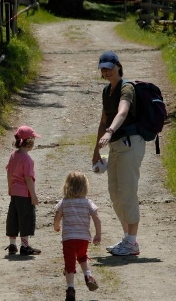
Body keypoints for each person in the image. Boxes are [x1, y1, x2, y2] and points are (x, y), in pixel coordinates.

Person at [92, 50, 145, 256]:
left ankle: (132, 242)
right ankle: (127, 239)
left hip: (130, 144)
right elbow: (103, 119)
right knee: (115, 193)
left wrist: (110, 132)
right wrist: (96, 150)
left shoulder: (127, 88)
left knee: (127, 192)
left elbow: (122, 112)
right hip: (114, 146)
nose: (106, 72)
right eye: (102, 68)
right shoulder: (107, 91)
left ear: (117, 66)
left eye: (109, 67)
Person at [54, 171, 101, 301]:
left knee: (69, 264)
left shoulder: (64, 202)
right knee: (82, 256)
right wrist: (98, 233)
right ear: (85, 187)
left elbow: (57, 216)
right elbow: (96, 217)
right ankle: (88, 276)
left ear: (67, 186)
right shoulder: (87, 202)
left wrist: (56, 226)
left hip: (69, 239)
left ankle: (70, 288)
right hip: (83, 239)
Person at [5, 125, 42, 256]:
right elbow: (28, 179)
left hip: (14, 193)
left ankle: (12, 245)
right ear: (29, 142)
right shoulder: (27, 160)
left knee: (13, 218)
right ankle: (25, 247)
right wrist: (33, 195)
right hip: (25, 194)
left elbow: (9, 174)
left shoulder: (13, 155)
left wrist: (10, 188)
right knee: (25, 218)